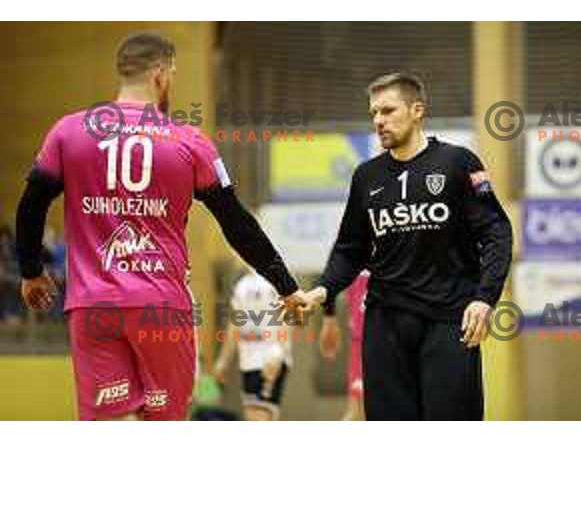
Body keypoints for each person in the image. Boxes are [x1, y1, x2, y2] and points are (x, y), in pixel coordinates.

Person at [15, 31, 306, 421]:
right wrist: (286, 286)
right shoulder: (189, 140)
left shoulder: (68, 131)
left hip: (93, 306)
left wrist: (32, 272)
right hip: (161, 310)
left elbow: (32, 203)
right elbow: (237, 223)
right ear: (161, 75)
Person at [302, 72, 513, 421]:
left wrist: (484, 297)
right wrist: (322, 290)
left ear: (417, 110)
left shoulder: (458, 163)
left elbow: (496, 233)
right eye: (373, 113)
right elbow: (350, 249)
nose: (378, 121)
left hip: (448, 319)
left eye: (387, 111)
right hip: (385, 323)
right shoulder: (366, 177)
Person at [214, 272, 292, 421]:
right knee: (263, 416)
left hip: (269, 357)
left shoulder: (275, 275)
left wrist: (279, 351)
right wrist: (223, 360)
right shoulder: (242, 285)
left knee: (258, 416)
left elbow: (288, 314)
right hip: (248, 361)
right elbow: (235, 324)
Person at [319, 271, 368, 421]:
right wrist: (329, 320)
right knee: (358, 412)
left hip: (377, 343)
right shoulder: (355, 263)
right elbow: (329, 283)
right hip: (362, 343)